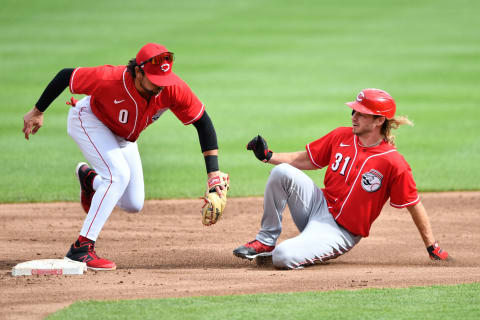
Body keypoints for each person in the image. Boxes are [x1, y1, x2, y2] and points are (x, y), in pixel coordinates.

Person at [23, 43, 227, 271]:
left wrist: (213, 174)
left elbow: (203, 122)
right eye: (154, 81)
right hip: (89, 121)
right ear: (138, 71)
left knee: (133, 203)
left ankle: (90, 180)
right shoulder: (109, 78)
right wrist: (38, 111)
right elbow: (66, 76)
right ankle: (81, 248)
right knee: (118, 175)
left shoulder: (171, 87)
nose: (160, 87)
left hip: (123, 137)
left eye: (163, 80)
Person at [233, 88, 449, 269]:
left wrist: (432, 246)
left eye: (361, 113)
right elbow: (307, 158)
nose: (353, 117)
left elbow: (413, 203)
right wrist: (268, 156)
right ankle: (265, 241)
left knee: (283, 257)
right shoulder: (341, 136)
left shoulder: (393, 163)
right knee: (282, 172)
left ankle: (311, 248)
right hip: (317, 205)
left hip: (340, 231)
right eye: (354, 111)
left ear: (379, 121)